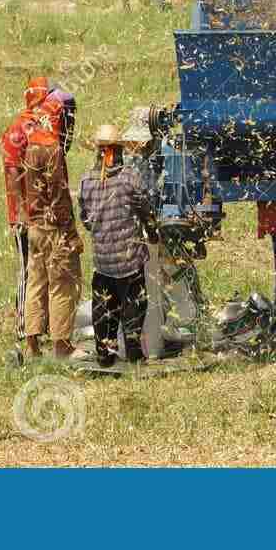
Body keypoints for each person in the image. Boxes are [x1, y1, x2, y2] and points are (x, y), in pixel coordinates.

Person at [79, 123, 151, 367]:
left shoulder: (86, 181)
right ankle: (133, 351)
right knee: (134, 302)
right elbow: (145, 210)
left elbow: (86, 219)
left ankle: (105, 353)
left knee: (104, 305)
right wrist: (152, 232)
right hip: (129, 258)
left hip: (102, 260)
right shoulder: (129, 178)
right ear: (116, 151)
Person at [21, 93, 84, 360]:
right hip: (55, 230)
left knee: (36, 283)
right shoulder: (53, 149)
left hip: (34, 227)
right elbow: (59, 196)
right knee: (63, 284)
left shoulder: (31, 145)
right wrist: (72, 234)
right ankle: (61, 346)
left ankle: (32, 344)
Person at [0, 77, 51, 347]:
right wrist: (20, 213)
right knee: (27, 269)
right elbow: (11, 171)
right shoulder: (18, 130)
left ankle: (41, 322)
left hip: (42, 214)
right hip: (26, 216)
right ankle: (23, 325)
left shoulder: (39, 126)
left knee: (44, 270)